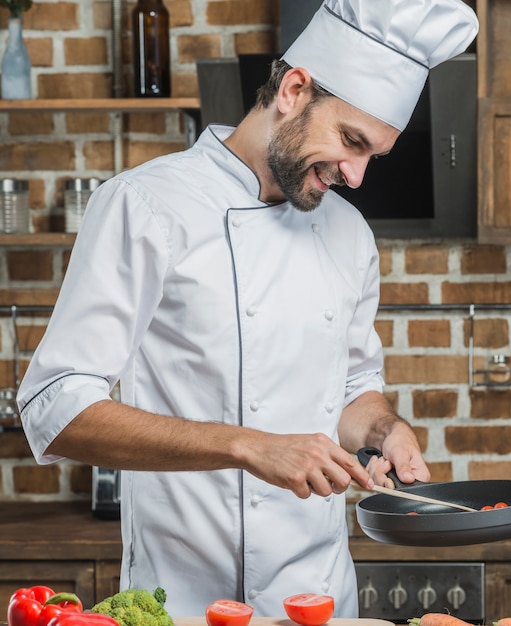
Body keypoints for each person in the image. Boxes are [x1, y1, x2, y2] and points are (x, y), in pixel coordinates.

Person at [17, 0, 478, 619]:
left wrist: (383, 429)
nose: (357, 174)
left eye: (374, 155)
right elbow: (55, 405)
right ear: (293, 89)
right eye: (351, 142)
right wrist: (249, 446)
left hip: (318, 600)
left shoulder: (348, 234)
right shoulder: (145, 206)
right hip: (183, 601)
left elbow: (350, 387)